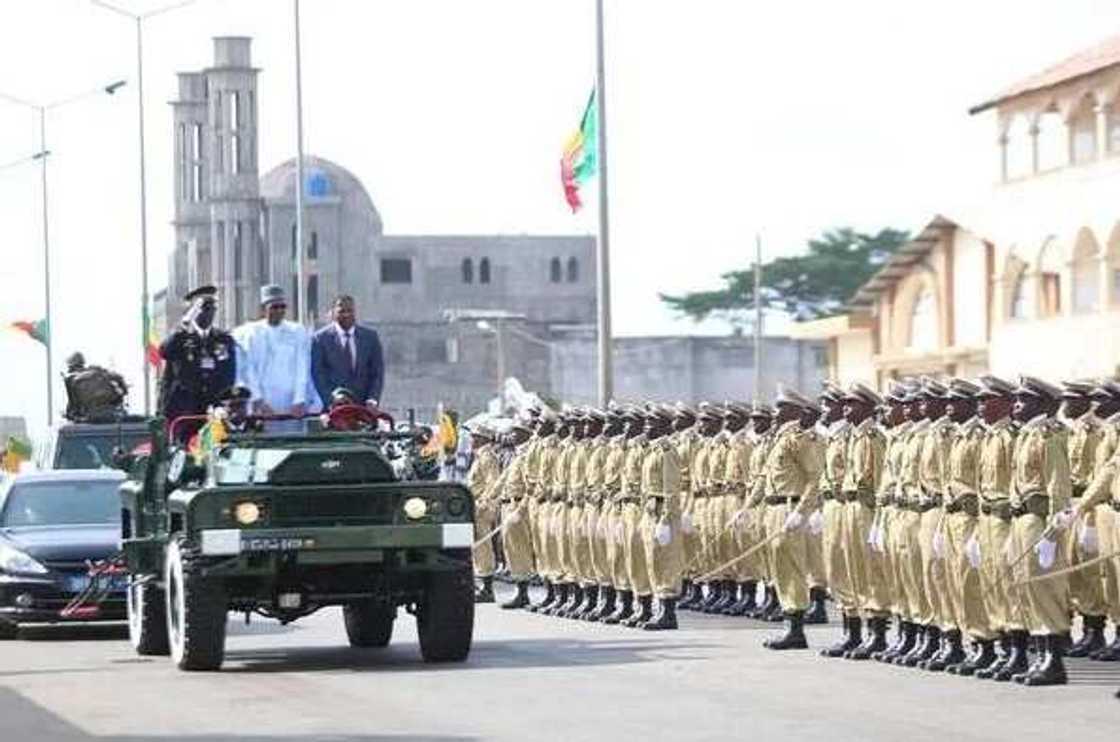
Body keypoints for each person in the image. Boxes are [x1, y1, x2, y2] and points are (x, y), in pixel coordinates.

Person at [158, 285, 237, 430]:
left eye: (212, 309)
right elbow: (164, 352)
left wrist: (223, 404)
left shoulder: (223, 339)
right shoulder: (181, 337)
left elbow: (228, 376)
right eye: (204, 309)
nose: (209, 314)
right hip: (183, 411)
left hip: (212, 411)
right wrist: (184, 324)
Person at [235, 285, 311, 432]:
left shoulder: (297, 331)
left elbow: (302, 367)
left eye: (282, 307)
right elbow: (247, 369)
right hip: (262, 400)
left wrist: (299, 399)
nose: (279, 311)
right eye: (274, 307)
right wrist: (257, 399)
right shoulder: (250, 333)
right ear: (263, 309)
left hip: (290, 401)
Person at [311, 294, 385, 409]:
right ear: (333, 313)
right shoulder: (320, 339)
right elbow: (318, 374)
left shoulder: (370, 337)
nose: (346, 315)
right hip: (335, 409)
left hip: (364, 408)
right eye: (342, 311)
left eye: (350, 310)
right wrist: (331, 399)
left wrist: (373, 398)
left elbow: (377, 372)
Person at [466, 423, 501, 603]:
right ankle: (482, 585)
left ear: (483, 439)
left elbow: (492, 483)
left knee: (483, 547)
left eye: (474, 436)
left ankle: (487, 588)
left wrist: (484, 503)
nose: (471, 440)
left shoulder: (488, 457)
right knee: (477, 549)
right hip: (474, 507)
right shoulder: (479, 457)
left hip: (481, 508)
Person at [62, 351, 128, 422]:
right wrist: (123, 393)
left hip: (89, 414)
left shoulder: (71, 378)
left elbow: (72, 404)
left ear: (70, 366)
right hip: (111, 408)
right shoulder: (97, 370)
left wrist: (71, 415)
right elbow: (118, 377)